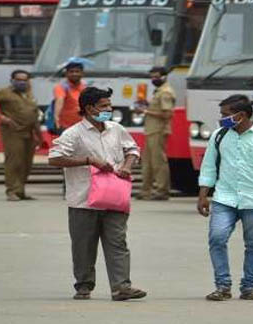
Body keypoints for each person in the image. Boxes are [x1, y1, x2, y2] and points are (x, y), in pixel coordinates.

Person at [48, 86, 147, 302]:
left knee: (118, 242)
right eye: (104, 106)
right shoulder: (73, 134)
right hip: (83, 201)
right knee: (83, 245)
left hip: (115, 198)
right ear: (89, 108)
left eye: (109, 105)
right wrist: (88, 160)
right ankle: (83, 286)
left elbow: (132, 149)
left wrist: (128, 166)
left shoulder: (116, 129)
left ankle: (121, 287)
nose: (109, 109)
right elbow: (54, 158)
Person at [197, 94, 253, 301]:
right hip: (224, 199)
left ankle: (249, 287)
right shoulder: (219, 136)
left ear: (241, 116)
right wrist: (203, 195)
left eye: (225, 115)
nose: (221, 119)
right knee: (217, 238)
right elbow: (209, 167)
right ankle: (223, 285)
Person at [0, 70, 44, 201]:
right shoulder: (3, 92)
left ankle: (20, 191)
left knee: (26, 163)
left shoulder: (29, 94)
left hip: (29, 132)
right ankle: (11, 191)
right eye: (18, 79)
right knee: (14, 161)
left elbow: (34, 116)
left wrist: (39, 136)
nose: (22, 82)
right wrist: (2, 117)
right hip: (12, 131)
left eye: (25, 80)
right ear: (12, 80)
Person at [136, 66, 175, 200]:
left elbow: (167, 114)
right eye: (152, 76)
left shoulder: (165, 92)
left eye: (157, 76)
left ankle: (162, 191)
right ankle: (145, 190)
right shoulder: (158, 91)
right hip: (151, 130)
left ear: (164, 76)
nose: (154, 79)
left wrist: (145, 112)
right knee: (147, 162)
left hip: (158, 130)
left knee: (158, 162)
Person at [54, 61, 87, 132]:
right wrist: (56, 117)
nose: (74, 74)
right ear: (66, 74)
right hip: (66, 127)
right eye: (71, 71)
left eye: (77, 71)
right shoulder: (61, 87)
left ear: (82, 73)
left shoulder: (85, 87)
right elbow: (60, 100)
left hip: (83, 126)